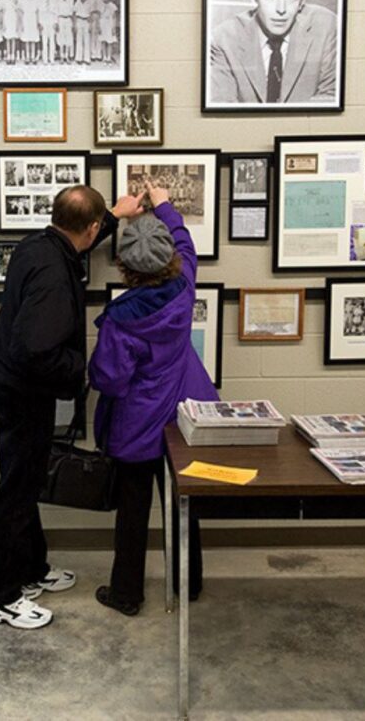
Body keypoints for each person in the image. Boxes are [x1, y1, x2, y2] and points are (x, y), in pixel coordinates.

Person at [0, 185, 144, 630]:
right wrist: (83, 372)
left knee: (27, 480)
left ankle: (30, 569)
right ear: (89, 228)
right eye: (98, 226)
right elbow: (37, 349)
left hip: (12, 383)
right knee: (15, 491)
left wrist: (113, 214)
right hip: (22, 391)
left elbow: (81, 230)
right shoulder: (53, 272)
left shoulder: (41, 242)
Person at [88, 182, 217, 616]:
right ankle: (189, 583)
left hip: (138, 423)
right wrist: (162, 203)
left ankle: (126, 594)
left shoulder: (121, 319)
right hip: (185, 414)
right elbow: (183, 239)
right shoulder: (184, 285)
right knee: (184, 501)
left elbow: (109, 379)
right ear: (169, 258)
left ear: (125, 267)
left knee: (133, 510)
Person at [208, 0, 338, 105]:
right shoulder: (223, 39)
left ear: (302, 0)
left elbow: (331, 97)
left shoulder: (326, 27)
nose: (281, 9)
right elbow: (222, 107)